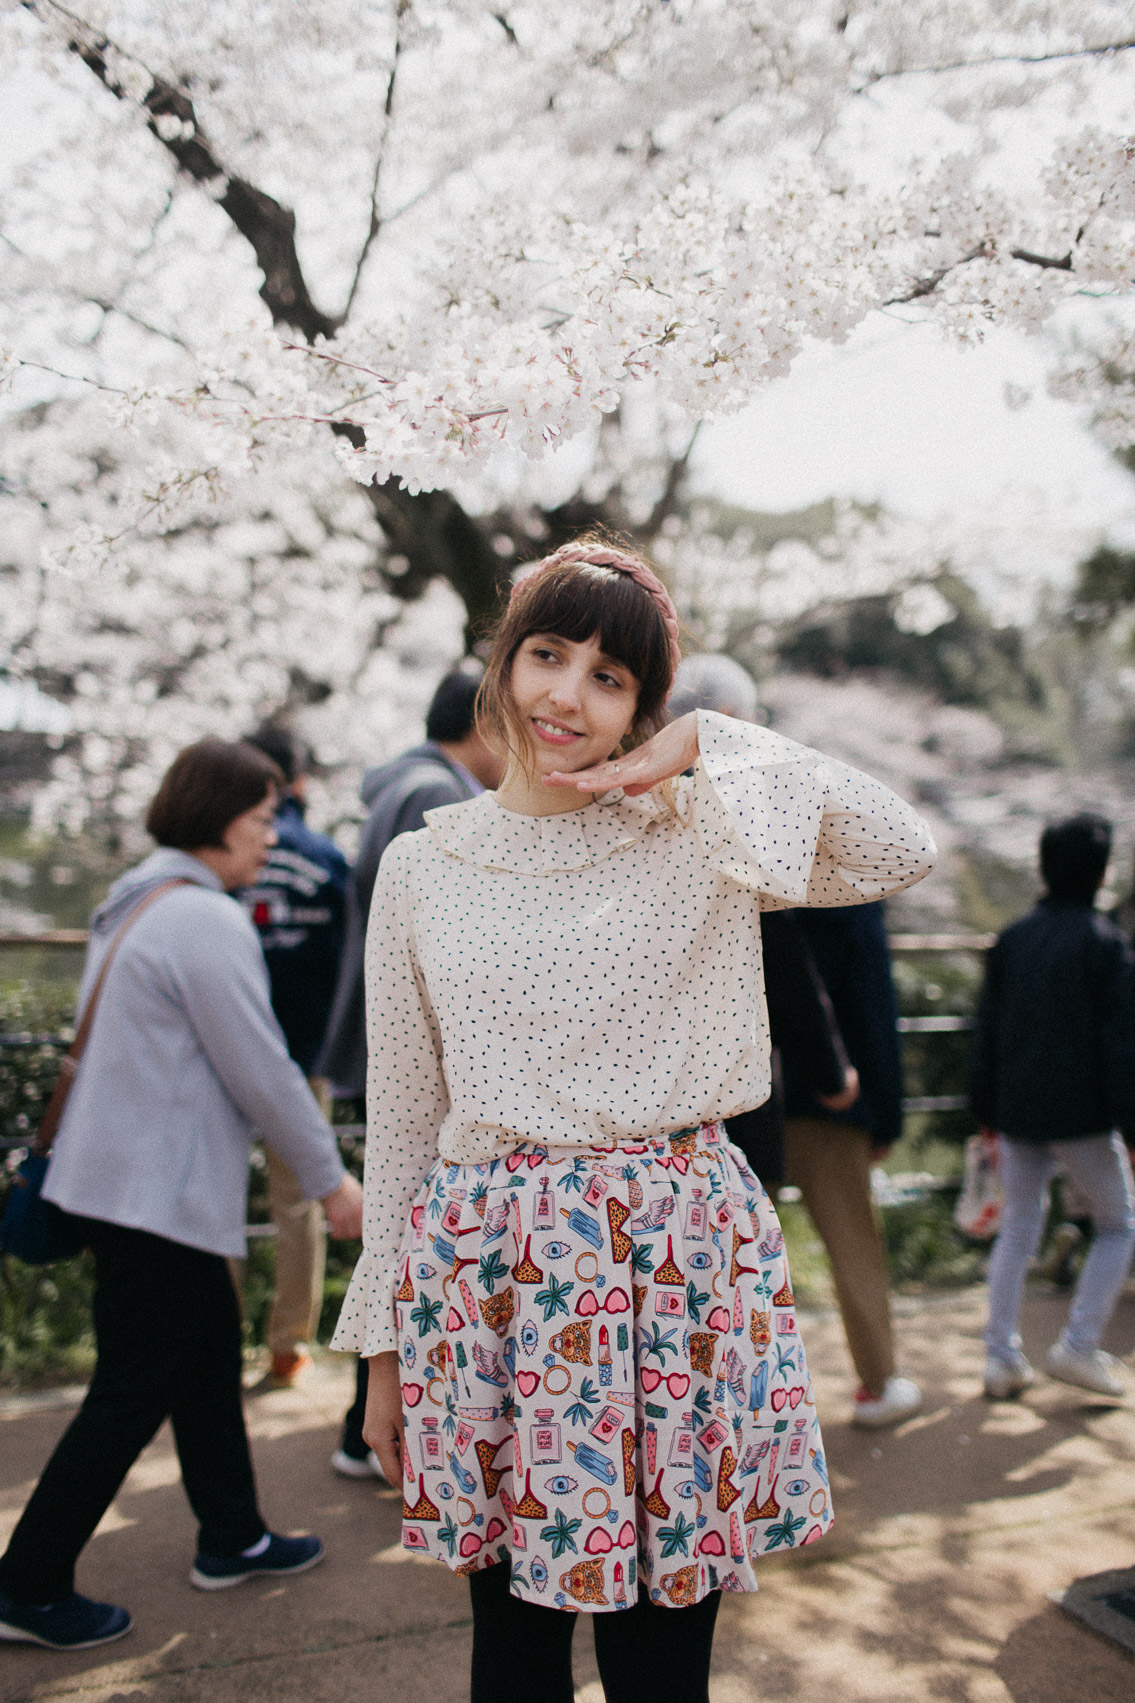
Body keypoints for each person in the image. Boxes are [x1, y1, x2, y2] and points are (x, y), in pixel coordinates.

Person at [332, 537, 936, 1703]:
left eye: (609, 677)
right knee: (511, 1648)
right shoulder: (422, 863)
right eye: (547, 655)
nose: (566, 694)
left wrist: (711, 742)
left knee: (665, 1657)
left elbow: (895, 844)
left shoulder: (699, 830)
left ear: (640, 710)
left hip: (680, 1268)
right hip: (494, 1282)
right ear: (500, 665)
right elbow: (403, 1123)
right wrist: (383, 1353)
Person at [0, 739, 363, 1654]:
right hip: (153, 1196)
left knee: (202, 1361)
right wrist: (329, 1179)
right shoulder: (202, 920)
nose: (270, 838)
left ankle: (231, 1533)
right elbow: (266, 1071)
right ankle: (27, 1582)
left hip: (125, 1185)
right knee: (128, 1392)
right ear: (216, 819)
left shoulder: (136, 897)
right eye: (259, 820)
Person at [321, 669, 502, 1479]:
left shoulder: (402, 781)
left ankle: (365, 1418)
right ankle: (371, 1421)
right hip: (406, 1042)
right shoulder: (431, 799)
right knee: (410, 1207)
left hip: (390, 1033)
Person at [669, 655, 858, 1192]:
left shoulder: (624, 804)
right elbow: (783, 962)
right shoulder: (738, 813)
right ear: (726, 717)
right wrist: (831, 1071)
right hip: (728, 1088)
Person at [971, 813, 1135, 1401]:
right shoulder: (1104, 943)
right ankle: (1079, 1345)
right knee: (1118, 1225)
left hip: (1016, 1113)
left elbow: (984, 1028)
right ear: (1101, 871)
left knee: (1018, 1229)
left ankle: (1000, 1357)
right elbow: (1122, 1046)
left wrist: (984, 1108)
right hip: (1083, 1117)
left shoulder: (1014, 938)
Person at [781, 903, 924, 1428]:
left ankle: (728, 1401)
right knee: (853, 1245)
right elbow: (872, 1010)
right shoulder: (850, 899)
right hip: (834, 1100)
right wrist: (885, 1117)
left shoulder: (749, 880)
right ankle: (879, 1383)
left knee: (733, 1258)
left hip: (746, 1101)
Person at [238, 724, 349, 1388]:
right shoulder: (327, 857)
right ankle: (289, 1343)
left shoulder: (227, 847)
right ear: (301, 782)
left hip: (223, 1054)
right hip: (304, 1052)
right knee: (299, 1199)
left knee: (218, 1195)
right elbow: (348, 958)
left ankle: (216, 1333)